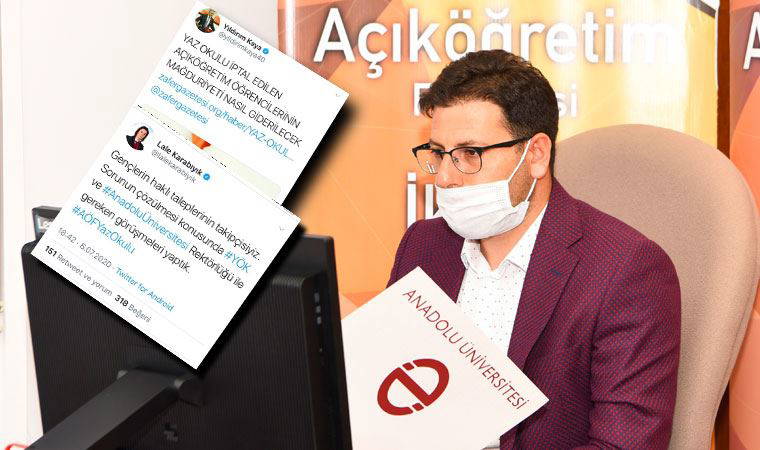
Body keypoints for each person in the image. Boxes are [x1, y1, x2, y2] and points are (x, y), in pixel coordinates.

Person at [388, 50, 680, 449]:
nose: (446, 178)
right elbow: (387, 394)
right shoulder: (423, 245)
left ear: (536, 155)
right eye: (439, 153)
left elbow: (622, 445)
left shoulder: (626, 269)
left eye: (470, 154)